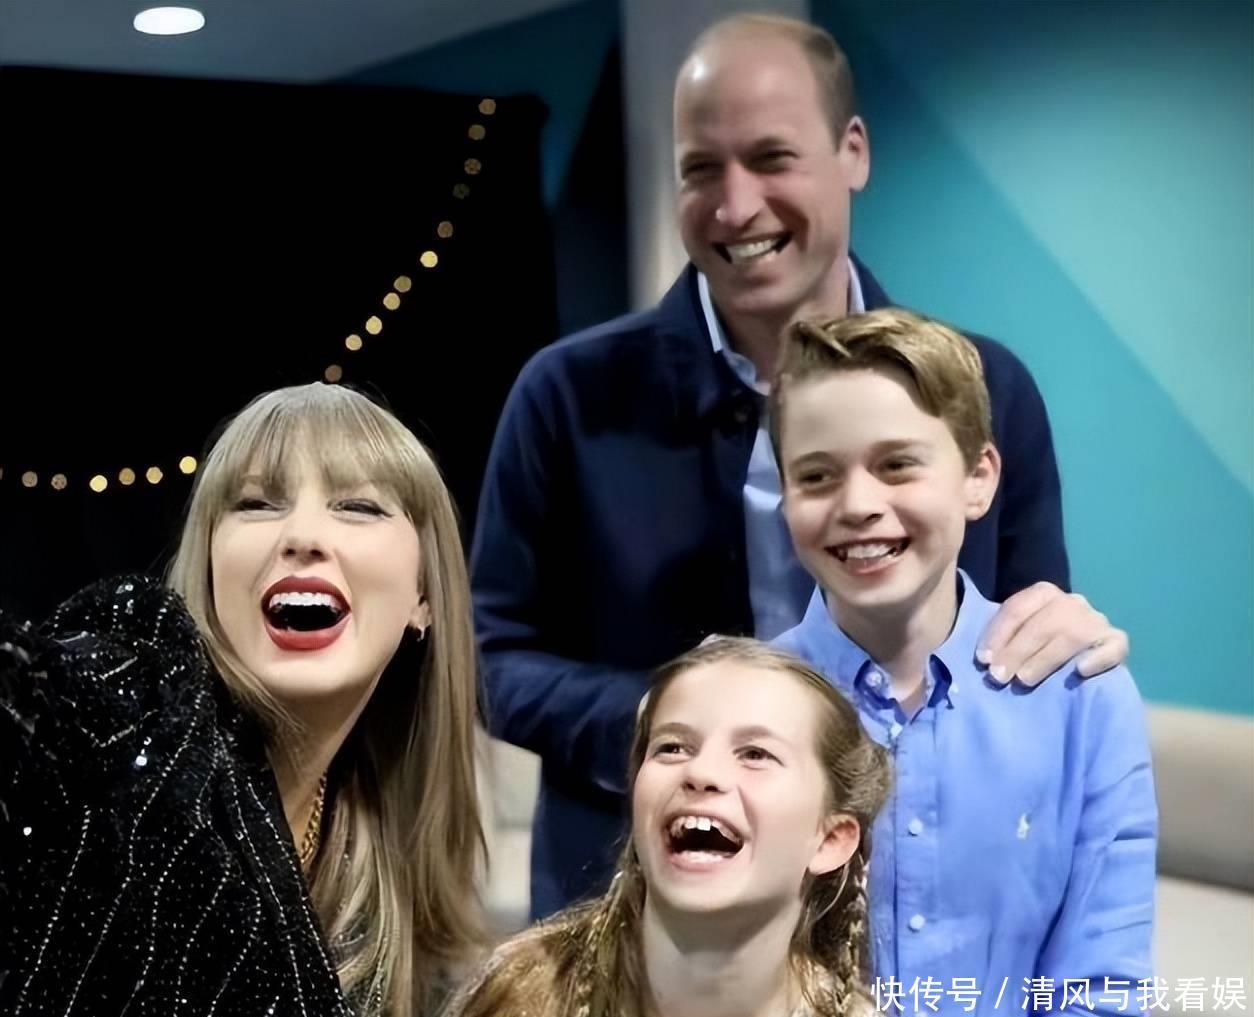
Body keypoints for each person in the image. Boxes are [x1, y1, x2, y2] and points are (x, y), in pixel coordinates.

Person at [470, 12, 1128, 918]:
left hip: (917, 899)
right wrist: (674, 721)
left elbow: (1024, 633)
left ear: (852, 151)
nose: (735, 206)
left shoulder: (988, 388)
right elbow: (489, 655)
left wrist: (1067, 641)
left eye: (771, 158)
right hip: (632, 899)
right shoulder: (565, 395)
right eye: (701, 169)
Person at [0, 383, 485, 1016]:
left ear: (424, 596)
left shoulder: (372, 857)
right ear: (207, 566)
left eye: (358, 507)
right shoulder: (129, 706)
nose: (303, 535)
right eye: (256, 504)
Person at [771, 309, 1156, 1009]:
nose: (858, 504)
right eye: (817, 475)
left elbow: (1105, 983)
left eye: (897, 465)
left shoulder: (1082, 699)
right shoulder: (742, 705)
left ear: (979, 477)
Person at [445, 637, 891, 1017]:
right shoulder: (518, 995)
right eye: (673, 747)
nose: (701, 772)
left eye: (755, 754)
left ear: (831, 840)